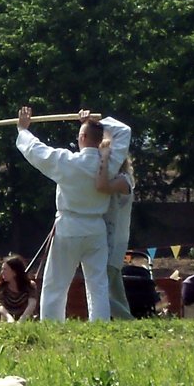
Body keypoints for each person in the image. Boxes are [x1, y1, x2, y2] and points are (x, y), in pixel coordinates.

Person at [15, 107, 130, 321]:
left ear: (82, 137)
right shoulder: (110, 162)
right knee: (98, 283)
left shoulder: (67, 161)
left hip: (69, 226)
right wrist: (98, 120)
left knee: (56, 283)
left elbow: (35, 150)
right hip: (96, 227)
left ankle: (51, 323)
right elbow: (124, 131)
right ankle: (100, 324)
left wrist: (23, 130)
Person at [95, 136, 135, 320]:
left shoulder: (123, 180)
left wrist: (103, 157)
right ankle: (128, 326)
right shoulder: (119, 178)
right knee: (116, 291)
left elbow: (102, 186)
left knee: (98, 291)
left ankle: (129, 321)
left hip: (114, 243)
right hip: (108, 241)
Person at [0, 254, 39, 322]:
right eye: (2, 269)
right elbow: (0, 306)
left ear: (14, 272)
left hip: (26, 321)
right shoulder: (0, 287)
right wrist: (9, 318)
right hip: (7, 322)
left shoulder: (30, 286)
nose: (2, 272)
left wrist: (22, 320)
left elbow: (32, 304)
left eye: (5, 269)